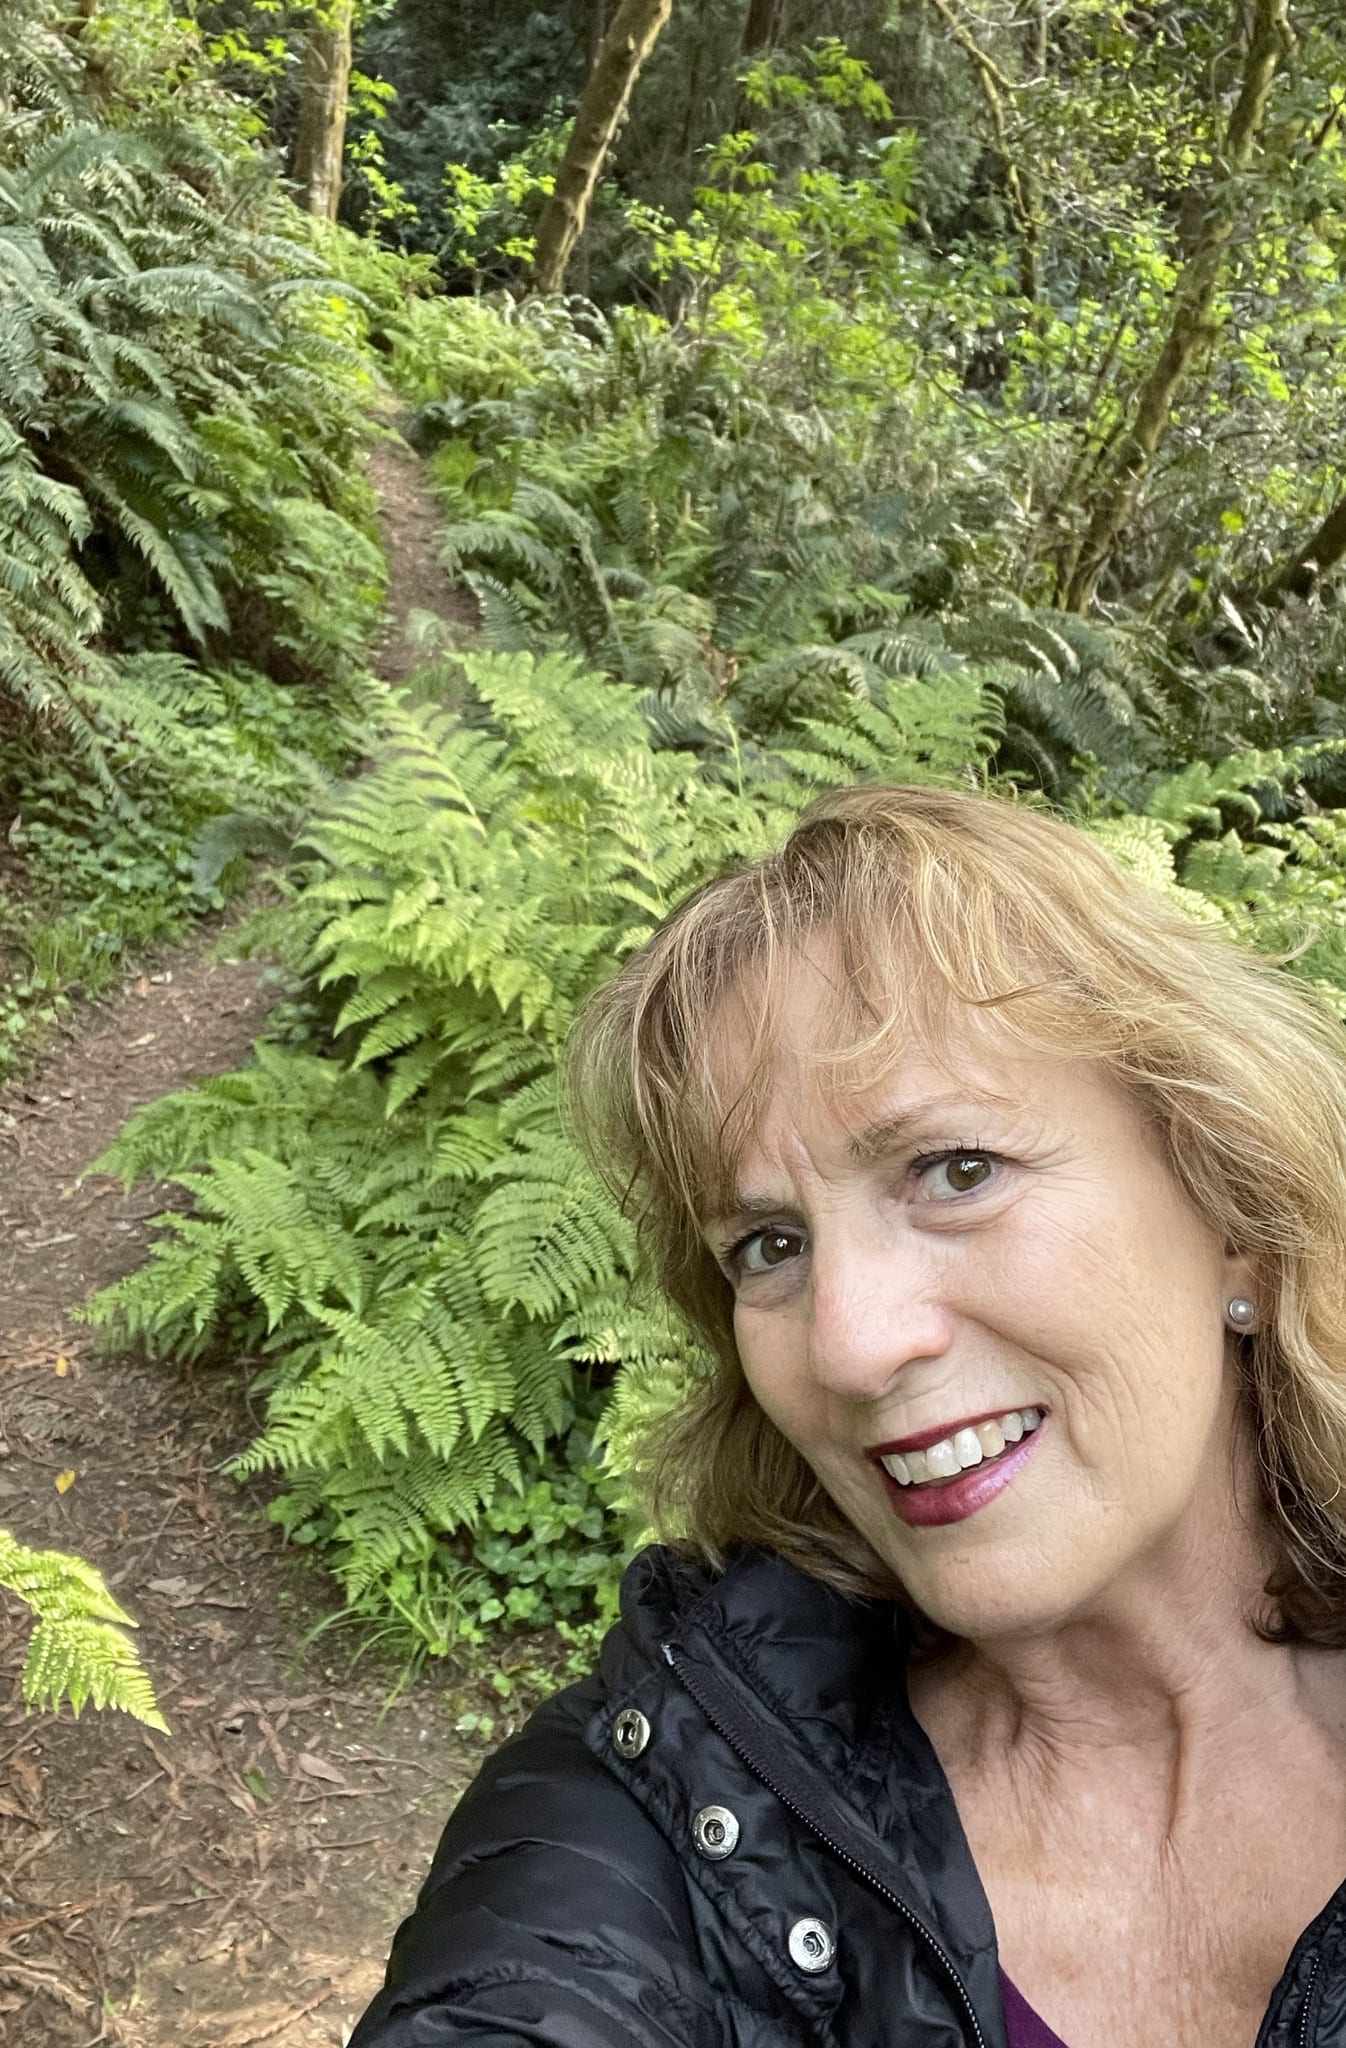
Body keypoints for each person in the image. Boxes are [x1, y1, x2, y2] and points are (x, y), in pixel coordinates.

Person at [349, 782, 1346, 2048]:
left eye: (955, 1170)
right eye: (767, 1243)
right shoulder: (670, 1803)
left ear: (1234, 1211)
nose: (848, 1343)